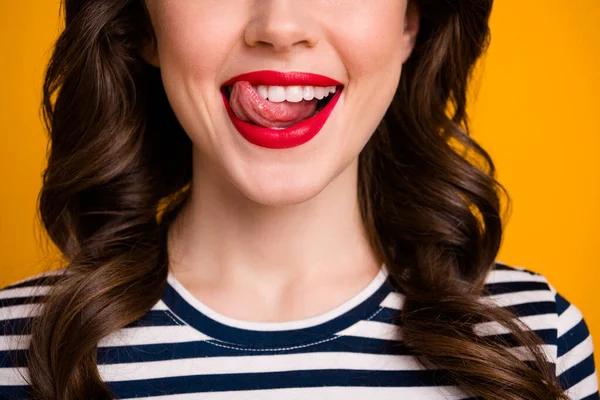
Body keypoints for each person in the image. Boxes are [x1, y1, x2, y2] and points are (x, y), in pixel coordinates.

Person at [0, 0, 597, 399]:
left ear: (411, 20)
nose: (281, 26)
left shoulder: (534, 337)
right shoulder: (17, 348)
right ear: (145, 24)